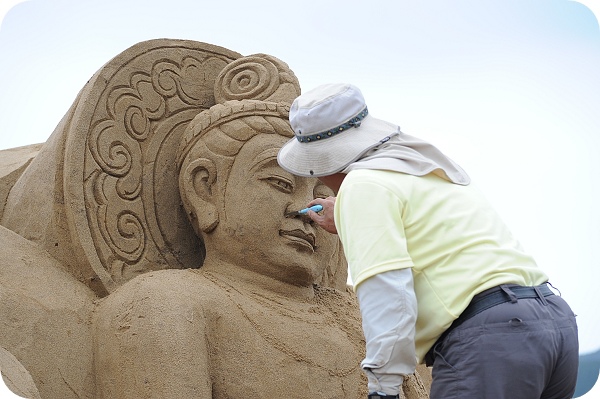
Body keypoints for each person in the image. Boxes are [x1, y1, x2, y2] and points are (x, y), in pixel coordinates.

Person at [95, 99, 433, 398]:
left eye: (324, 197)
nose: (305, 210)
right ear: (205, 190)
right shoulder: (166, 304)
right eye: (280, 183)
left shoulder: (362, 314)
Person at [277, 83, 579, 399]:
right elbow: (431, 235)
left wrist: (384, 387)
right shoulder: (421, 165)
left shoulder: (362, 185)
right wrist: (348, 216)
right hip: (554, 322)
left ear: (324, 160)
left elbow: (387, 291)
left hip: (492, 339)